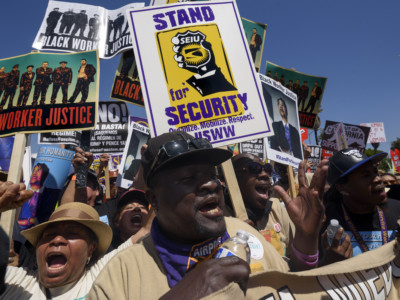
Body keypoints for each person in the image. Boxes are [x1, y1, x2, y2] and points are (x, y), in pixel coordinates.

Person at [88, 131, 324, 299]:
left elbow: (296, 290)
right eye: (188, 178)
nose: (211, 185)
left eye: (211, 175)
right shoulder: (121, 273)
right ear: (154, 200)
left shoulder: (246, 234)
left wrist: (307, 242)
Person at [2, 200, 137, 299]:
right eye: (49, 235)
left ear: (91, 249)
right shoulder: (15, 281)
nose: (57, 240)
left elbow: (149, 231)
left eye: (72, 233)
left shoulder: (101, 276)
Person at [322, 148, 400, 258]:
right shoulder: (325, 220)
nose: (378, 179)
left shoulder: (398, 211)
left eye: (375, 172)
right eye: (366, 175)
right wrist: (330, 262)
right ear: (342, 188)